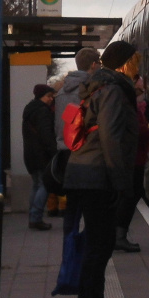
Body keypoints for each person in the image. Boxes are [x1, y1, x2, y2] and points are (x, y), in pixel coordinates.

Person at [63, 41, 139, 298]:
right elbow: (112, 138)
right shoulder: (114, 91)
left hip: (88, 173)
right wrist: (122, 184)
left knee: (98, 244)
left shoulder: (100, 86)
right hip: (97, 176)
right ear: (124, 63)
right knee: (100, 245)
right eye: (134, 59)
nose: (138, 64)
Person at [51, 46, 101, 216]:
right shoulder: (93, 90)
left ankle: (70, 242)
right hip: (86, 152)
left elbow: (59, 124)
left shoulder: (61, 92)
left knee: (71, 208)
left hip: (64, 149)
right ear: (93, 65)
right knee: (90, 208)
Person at [114, 67, 149, 254]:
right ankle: (119, 235)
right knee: (131, 194)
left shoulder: (126, 105)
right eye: (139, 90)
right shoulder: (131, 107)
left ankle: (118, 234)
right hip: (132, 158)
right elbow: (137, 130)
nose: (141, 94)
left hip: (132, 157)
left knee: (131, 193)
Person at [22, 84, 57, 232]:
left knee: (37, 184)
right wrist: (53, 152)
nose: (50, 99)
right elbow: (46, 135)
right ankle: (36, 218)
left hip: (30, 154)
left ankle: (33, 217)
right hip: (41, 155)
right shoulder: (43, 112)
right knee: (45, 185)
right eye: (48, 96)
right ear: (41, 96)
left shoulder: (30, 109)